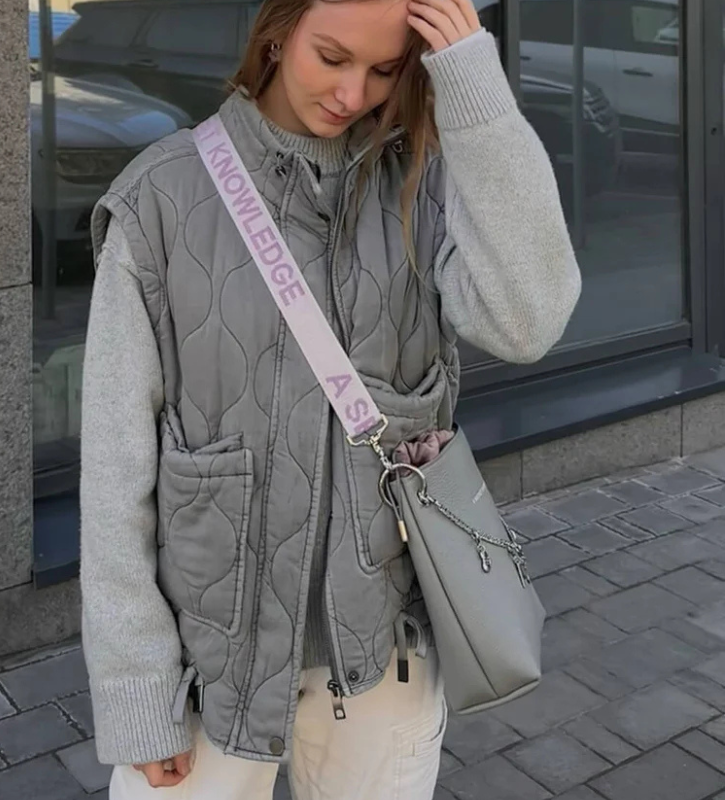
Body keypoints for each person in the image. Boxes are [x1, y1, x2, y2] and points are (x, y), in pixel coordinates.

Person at [80, 0, 581, 797]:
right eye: (332, 56)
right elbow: (115, 473)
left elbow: (529, 320)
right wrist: (138, 690)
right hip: (208, 673)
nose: (353, 94)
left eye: (384, 70)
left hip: (382, 658)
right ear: (279, 32)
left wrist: (473, 82)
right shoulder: (160, 200)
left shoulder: (422, 184)